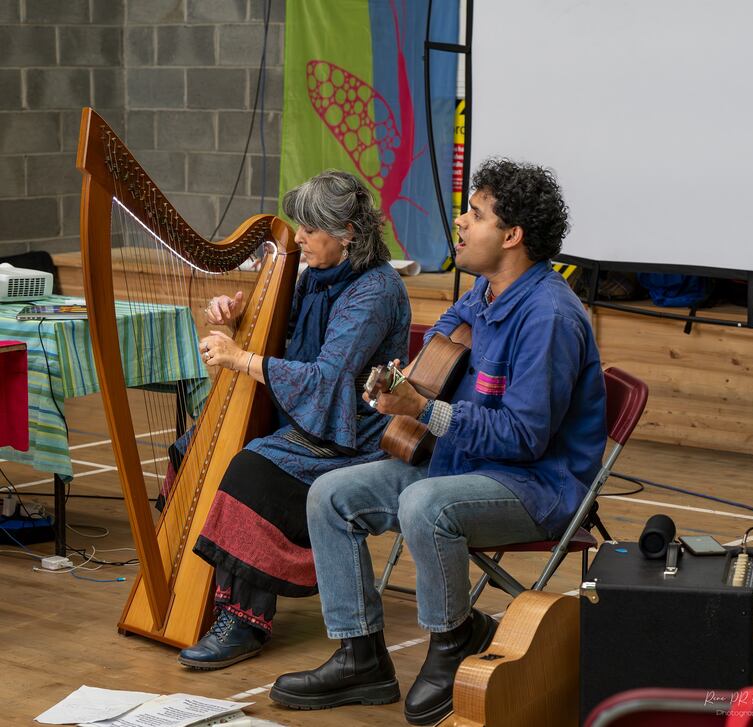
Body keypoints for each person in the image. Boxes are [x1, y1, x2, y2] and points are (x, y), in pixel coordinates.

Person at [269, 158, 607, 724]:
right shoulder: (484, 292)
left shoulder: (549, 316)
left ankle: (453, 644)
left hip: (536, 487)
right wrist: (398, 384)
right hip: (463, 464)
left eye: (475, 214)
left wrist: (424, 407)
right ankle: (361, 658)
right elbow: (444, 344)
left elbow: (524, 438)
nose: (460, 223)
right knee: (330, 495)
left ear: (512, 235)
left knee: (424, 504)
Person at [174, 170, 411, 670]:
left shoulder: (374, 290)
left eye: (309, 227)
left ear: (347, 231)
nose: (298, 237)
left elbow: (328, 380)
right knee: (190, 448)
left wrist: (239, 359)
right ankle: (200, 587)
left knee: (253, 468)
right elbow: (283, 349)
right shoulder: (316, 278)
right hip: (305, 418)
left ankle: (243, 621)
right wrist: (236, 322)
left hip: (351, 432)